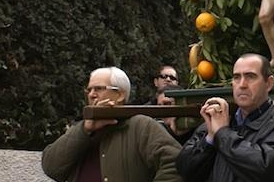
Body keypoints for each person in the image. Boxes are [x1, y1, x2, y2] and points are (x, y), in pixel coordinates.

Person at [41, 66, 182, 182]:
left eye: (99, 89)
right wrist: (84, 130)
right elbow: (51, 167)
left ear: (120, 95)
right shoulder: (83, 130)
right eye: (89, 90)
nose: (91, 94)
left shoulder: (140, 126)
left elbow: (176, 164)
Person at [177, 53, 274, 182]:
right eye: (237, 77)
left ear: (269, 84)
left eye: (250, 77)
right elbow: (185, 170)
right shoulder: (216, 123)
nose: (242, 84)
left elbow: (264, 170)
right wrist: (209, 139)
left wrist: (222, 133)